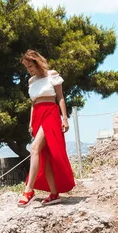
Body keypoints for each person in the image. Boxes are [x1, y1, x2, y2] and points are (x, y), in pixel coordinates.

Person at [18, 50, 75, 207]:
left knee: (34, 148)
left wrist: (64, 118)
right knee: (45, 156)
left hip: (50, 113)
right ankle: (54, 193)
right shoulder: (31, 81)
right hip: (37, 116)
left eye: (30, 66)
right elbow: (33, 103)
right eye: (26, 67)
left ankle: (28, 190)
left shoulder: (52, 75)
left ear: (37, 62)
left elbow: (60, 97)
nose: (29, 70)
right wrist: (31, 122)